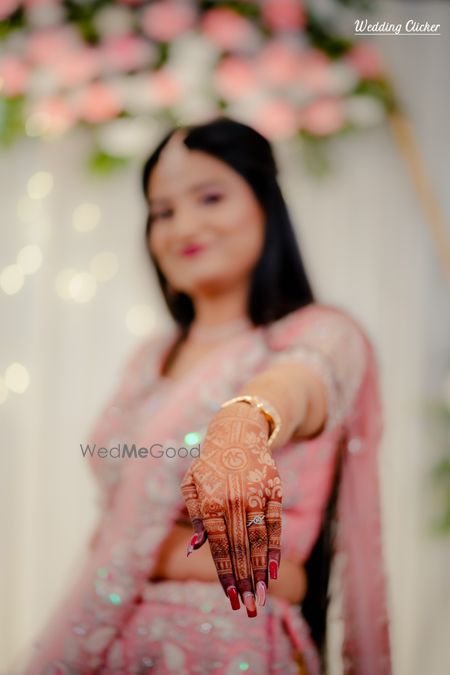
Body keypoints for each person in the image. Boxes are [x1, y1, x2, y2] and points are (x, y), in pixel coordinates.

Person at [21, 117, 391, 674]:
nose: (184, 225)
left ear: (266, 205)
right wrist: (178, 557)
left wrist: (243, 423)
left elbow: (296, 383)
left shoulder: (320, 334)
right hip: (109, 646)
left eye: (210, 198)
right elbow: (116, 527)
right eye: (163, 211)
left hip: (227, 650)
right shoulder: (149, 359)